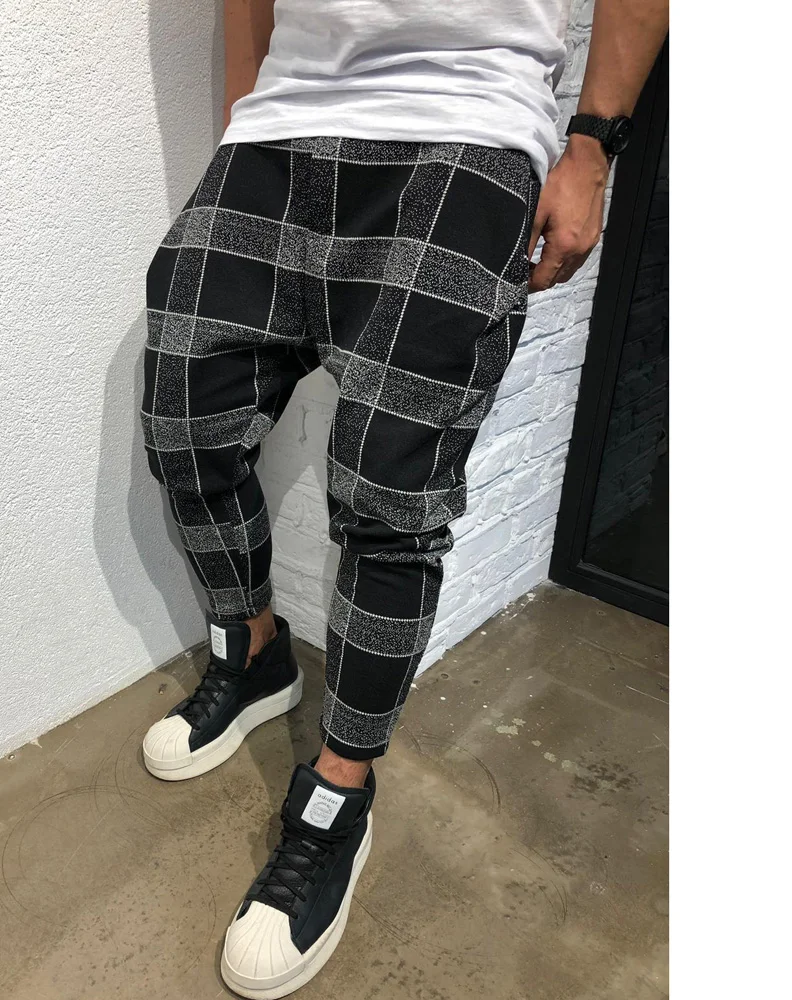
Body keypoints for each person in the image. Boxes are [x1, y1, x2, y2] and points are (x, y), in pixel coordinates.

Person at [139, 1, 668, 996]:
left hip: (469, 127)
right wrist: (245, 121)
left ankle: (338, 792)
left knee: (391, 493)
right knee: (184, 423)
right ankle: (253, 653)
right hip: (278, 128)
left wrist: (592, 145)